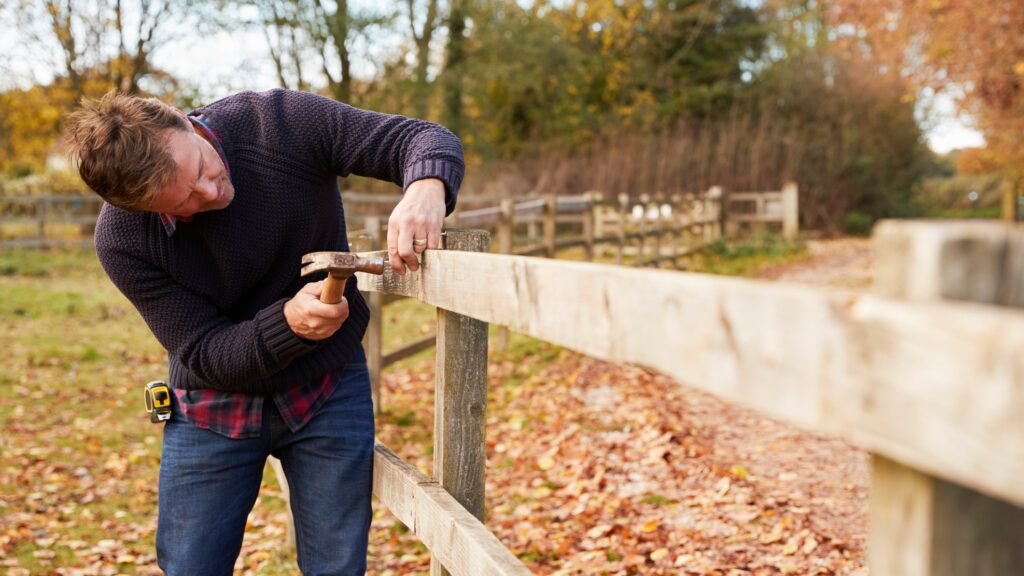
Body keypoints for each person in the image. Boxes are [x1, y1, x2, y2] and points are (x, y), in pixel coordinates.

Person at [64, 88, 464, 575]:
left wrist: (426, 187)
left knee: (335, 567)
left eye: (199, 171)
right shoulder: (123, 239)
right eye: (183, 203)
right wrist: (288, 324)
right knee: (191, 566)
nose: (210, 194)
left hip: (328, 387)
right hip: (211, 405)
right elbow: (205, 352)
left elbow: (420, 137)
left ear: (180, 119)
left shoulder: (281, 122)